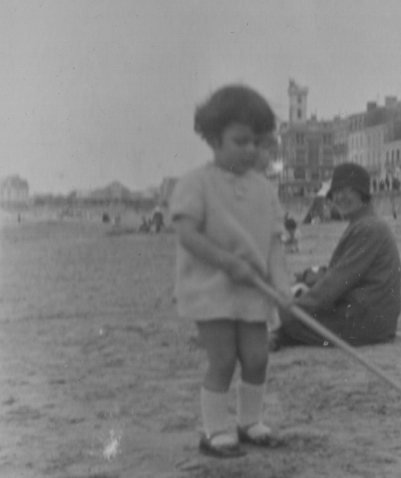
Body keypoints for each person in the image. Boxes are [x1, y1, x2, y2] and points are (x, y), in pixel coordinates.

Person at [170, 85, 290, 458]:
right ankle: (215, 430)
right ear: (214, 139)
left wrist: (281, 287)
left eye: (257, 142)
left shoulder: (265, 190)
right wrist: (229, 263)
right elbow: (187, 234)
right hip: (211, 287)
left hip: (254, 289)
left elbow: (273, 242)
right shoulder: (196, 183)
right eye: (241, 141)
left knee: (257, 358)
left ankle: (249, 421)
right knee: (222, 359)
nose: (251, 150)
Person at [270, 162, 401, 349]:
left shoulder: (368, 228)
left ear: (362, 193)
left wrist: (291, 308)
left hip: (366, 322)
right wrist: (308, 278)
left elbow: (334, 285)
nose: (339, 197)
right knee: (297, 311)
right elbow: (343, 271)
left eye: (347, 190)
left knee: (290, 319)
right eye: (336, 192)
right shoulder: (366, 224)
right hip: (375, 318)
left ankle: (272, 339)